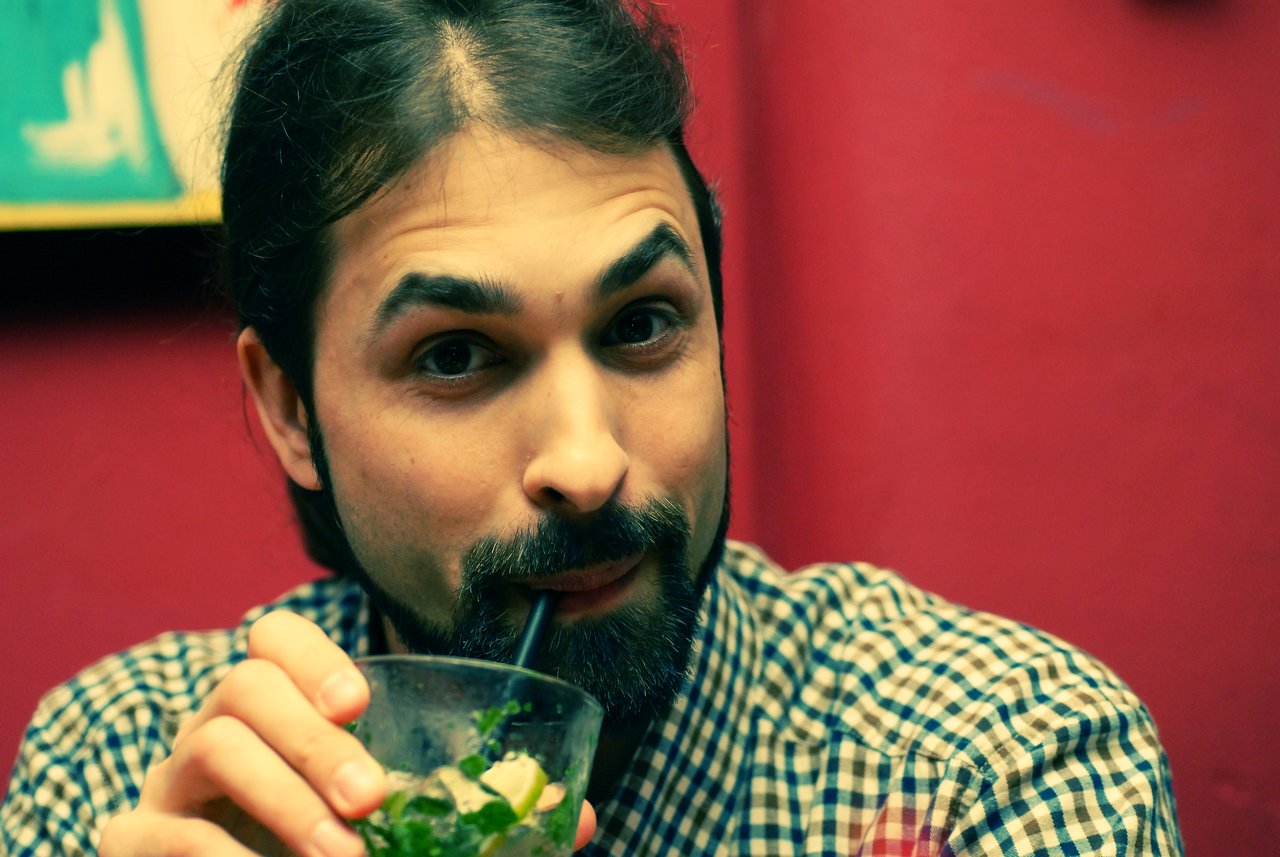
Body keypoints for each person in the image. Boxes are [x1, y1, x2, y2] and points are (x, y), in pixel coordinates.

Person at [2, 0, 1184, 854]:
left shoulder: (993, 768)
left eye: (641, 326)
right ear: (289, 409)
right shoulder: (119, 768)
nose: (586, 458)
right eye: (454, 355)